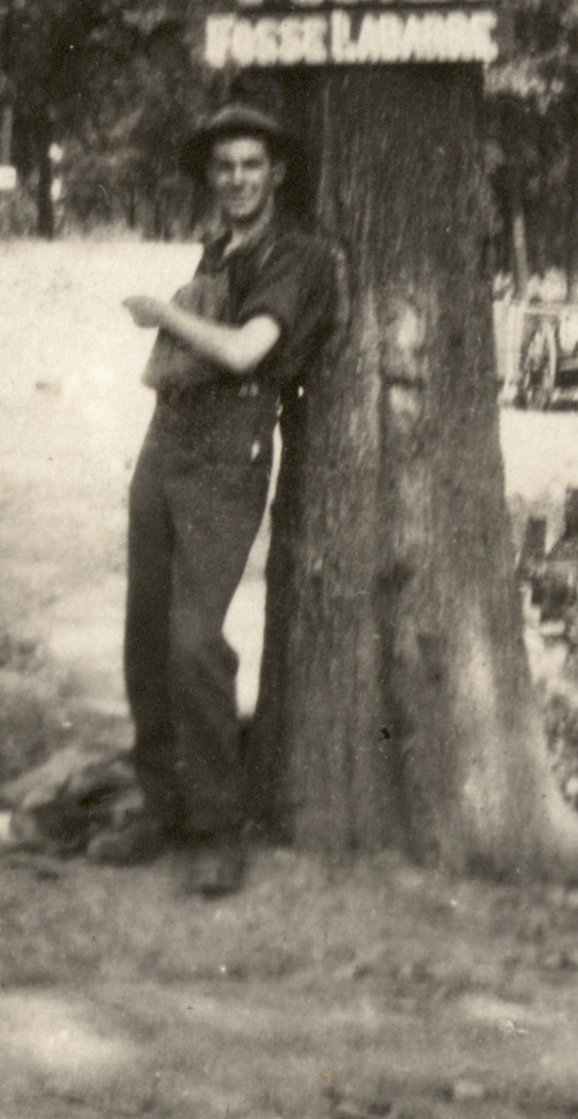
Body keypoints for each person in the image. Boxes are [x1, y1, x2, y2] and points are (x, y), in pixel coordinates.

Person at [88, 104, 343, 895]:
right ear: (211, 175)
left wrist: (162, 312)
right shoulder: (219, 247)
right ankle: (160, 808)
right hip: (165, 445)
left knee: (194, 641)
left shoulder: (297, 255)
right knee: (145, 640)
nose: (237, 178)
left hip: (228, 456)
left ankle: (215, 828)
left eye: (251, 165)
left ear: (278, 173)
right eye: (224, 166)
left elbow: (243, 350)